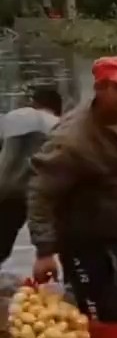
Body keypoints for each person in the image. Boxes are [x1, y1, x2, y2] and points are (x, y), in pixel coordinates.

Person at [26, 56, 117, 338]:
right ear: (100, 89)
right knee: (112, 325)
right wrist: (45, 251)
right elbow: (40, 191)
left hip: (112, 236)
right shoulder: (71, 140)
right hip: (82, 243)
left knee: (89, 314)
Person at [0, 85, 63, 267]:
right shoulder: (59, 125)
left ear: (34, 103)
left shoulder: (11, 118)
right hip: (39, 194)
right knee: (56, 242)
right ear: (57, 108)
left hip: (4, 189)